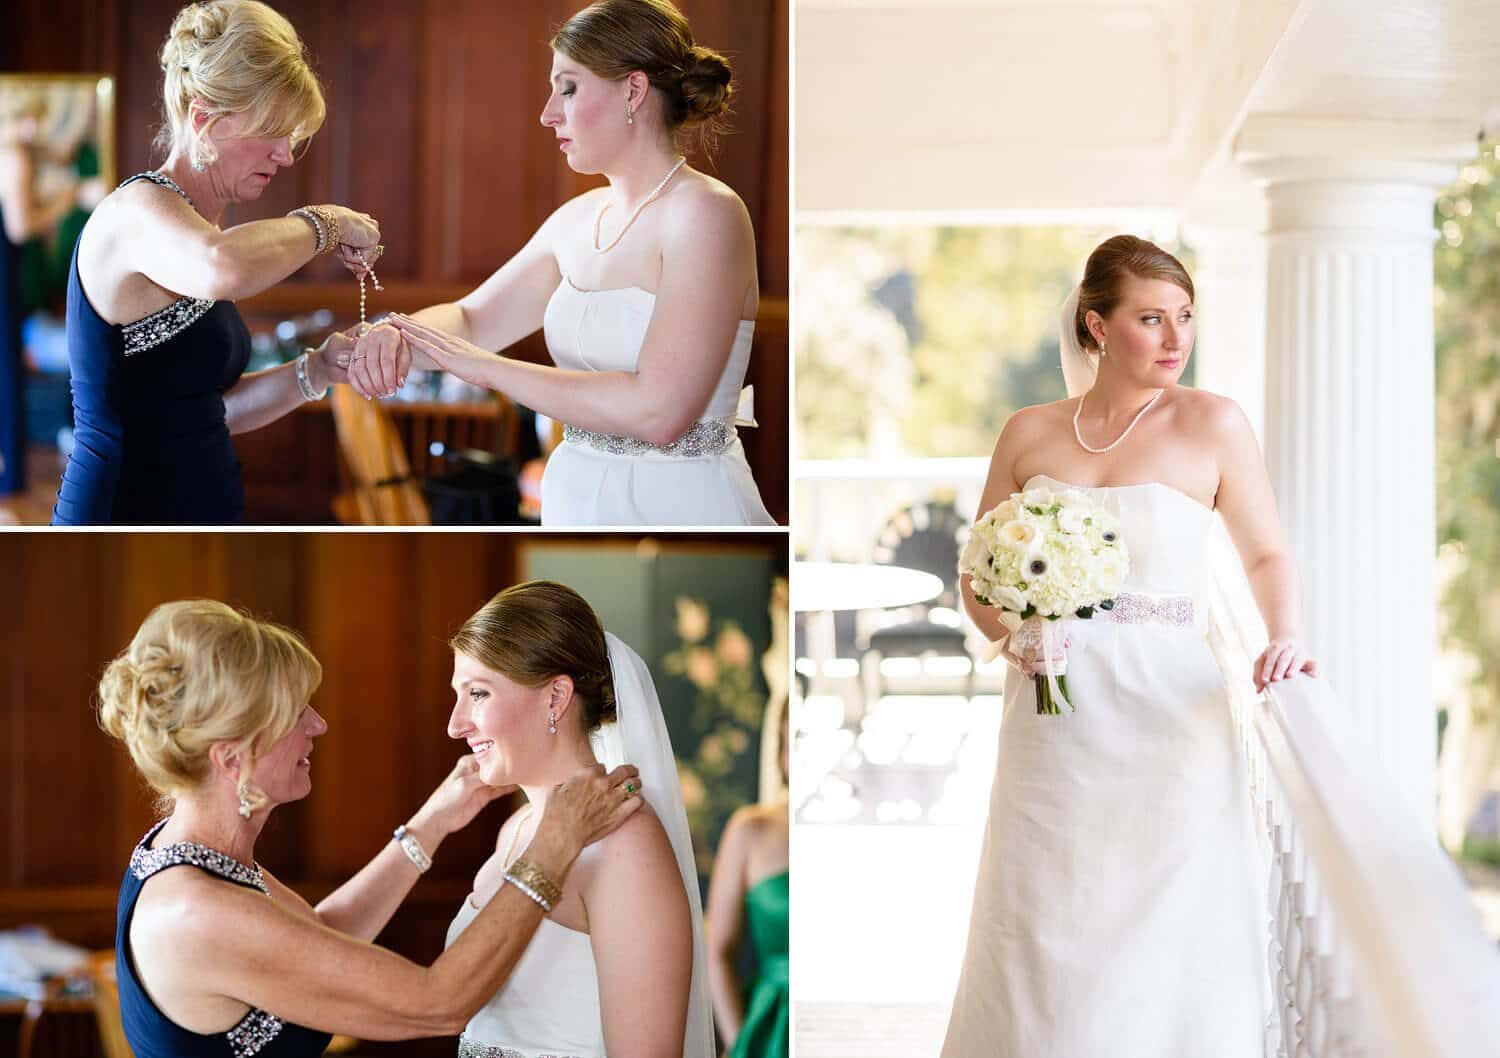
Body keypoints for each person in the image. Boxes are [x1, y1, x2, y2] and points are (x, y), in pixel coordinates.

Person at [942, 234, 1318, 1057]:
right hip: (1053, 723)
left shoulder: (1213, 423)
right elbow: (978, 574)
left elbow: (1266, 551)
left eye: (1185, 317)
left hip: (1169, 717)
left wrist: (1285, 637)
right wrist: (1013, 636)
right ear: (1097, 326)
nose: (1177, 338)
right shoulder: (1028, 431)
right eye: (1152, 318)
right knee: (1044, 914)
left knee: (1161, 917)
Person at [98, 598, 641, 1058]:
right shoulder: (196, 912)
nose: (318, 724)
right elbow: (438, 1004)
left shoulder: (195, 854)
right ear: (232, 757)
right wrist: (553, 848)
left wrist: (432, 824)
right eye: (294, 713)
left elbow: (316, 939)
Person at [355, 0, 775, 527]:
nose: (548, 112)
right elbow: (473, 320)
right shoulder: (575, 220)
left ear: (634, 90)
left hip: (681, 501)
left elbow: (660, 411)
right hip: (574, 494)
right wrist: (399, 336)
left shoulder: (709, 214)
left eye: (568, 88)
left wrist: (484, 368)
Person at [52, 0, 399, 525]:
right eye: (272, 132)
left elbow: (209, 412)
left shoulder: (195, 229)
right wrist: (327, 223)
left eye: (292, 136)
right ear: (204, 118)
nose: (285, 155)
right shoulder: (136, 214)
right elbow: (223, 266)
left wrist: (319, 368)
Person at [444, 580, 714, 1058]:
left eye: (478, 694)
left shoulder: (624, 841)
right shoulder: (516, 830)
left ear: (556, 697)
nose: (455, 723)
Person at [0, 88, 74, 495]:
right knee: (8, 371)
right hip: (4, 272)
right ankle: (9, 480)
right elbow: (19, 226)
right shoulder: (13, 154)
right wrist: (63, 205)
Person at [704, 701, 788, 1058]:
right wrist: (741, 1041)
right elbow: (717, 950)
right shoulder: (750, 830)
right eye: (790, 742)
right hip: (770, 1027)